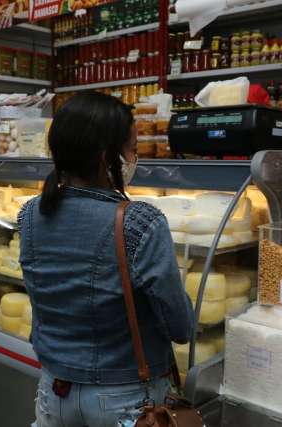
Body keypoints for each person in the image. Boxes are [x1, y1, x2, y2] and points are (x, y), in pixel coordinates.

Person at [17, 91, 195, 427]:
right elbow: (180, 326)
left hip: (55, 390)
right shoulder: (140, 221)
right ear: (105, 157)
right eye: (132, 148)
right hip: (126, 399)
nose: (133, 158)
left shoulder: (29, 215)